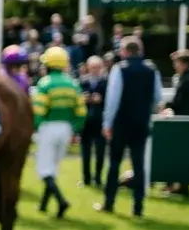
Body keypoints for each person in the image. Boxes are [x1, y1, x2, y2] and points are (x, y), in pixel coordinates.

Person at [98, 37, 161, 217]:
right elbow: (157, 97)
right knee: (139, 165)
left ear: (124, 51)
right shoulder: (152, 69)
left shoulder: (119, 69)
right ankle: (138, 207)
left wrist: (107, 123)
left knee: (114, 164)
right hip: (141, 122)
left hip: (121, 122)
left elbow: (113, 99)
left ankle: (109, 203)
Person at [33, 46, 86, 218]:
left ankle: (61, 201)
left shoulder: (45, 83)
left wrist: (36, 127)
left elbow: (39, 110)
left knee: (44, 170)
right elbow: (81, 111)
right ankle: (43, 205)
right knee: (53, 168)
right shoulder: (73, 83)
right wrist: (75, 129)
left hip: (48, 127)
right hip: (66, 128)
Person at [162, 48, 189, 197]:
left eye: (177, 62)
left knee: (181, 154)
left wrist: (168, 108)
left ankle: (181, 186)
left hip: (186, 123)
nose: (174, 65)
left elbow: (181, 103)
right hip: (187, 122)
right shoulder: (188, 78)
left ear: (184, 63)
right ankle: (175, 184)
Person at [79, 55, 108, 188]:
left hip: (101, 121)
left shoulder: (106, 82)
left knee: (100, 151)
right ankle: (86, 179)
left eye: (97, 67)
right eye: (92, 67)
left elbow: (111, 102)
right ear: (88, 68)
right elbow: (77, 101)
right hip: (86, 122)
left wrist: (101, 100)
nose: (95, 70)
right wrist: (83, 99)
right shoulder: (82, 81)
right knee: (85, 151)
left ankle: (98, 178)